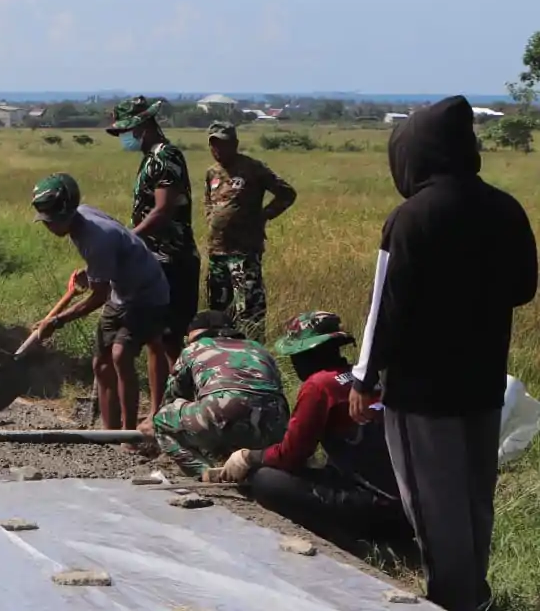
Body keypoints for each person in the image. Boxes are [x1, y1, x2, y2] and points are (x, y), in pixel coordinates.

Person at [347, 96, 536, 611]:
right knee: (475, 499)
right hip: (482, 384)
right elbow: (524, 287)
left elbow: (384, 308)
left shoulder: (410, 218)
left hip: (420, 392)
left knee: (433, 506)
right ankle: (477, 595)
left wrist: (363, 381)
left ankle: (454, 601)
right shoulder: (506, 209)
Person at [221, 312, 410, 546]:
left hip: (375, 507)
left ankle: (348, 538)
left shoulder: (320, 386)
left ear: (304, 355)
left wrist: (248, 457)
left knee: (265, 480)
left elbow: (290, 455)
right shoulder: (363, 379)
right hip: (408, 507)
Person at [29, 173, 171, 431]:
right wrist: (92, 271)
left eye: (52, 222)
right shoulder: (81, 220)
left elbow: (98, 296)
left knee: (121, 355)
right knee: (101, 364)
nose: (49, 227)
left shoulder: (96, 238)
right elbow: (114, 254)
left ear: (67, 214)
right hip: (121, 291)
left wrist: (58, 320)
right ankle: (109, 432)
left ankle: (128, 435)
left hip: (147, 293)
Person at [106, 96, 201, 361]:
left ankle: (184, 394)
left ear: (143, 126)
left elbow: (162, 210)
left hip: (173, 261)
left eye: (126, 131)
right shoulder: (149, 158)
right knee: (155, 338)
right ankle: (163, 401)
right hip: (153, 260)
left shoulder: (166, 156)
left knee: (172, 339)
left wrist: (128, 239)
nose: (124, 137)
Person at [150, 310, 289, 479]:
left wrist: (152, 423)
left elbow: (171, 396)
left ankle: (204, 472)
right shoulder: (259, 349)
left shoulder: (194, 349)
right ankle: (260, 466)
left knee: (161, 420)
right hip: (275, 421)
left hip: (221, 410)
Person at [202, 121, 297, 341]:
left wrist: (263, 216)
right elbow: (207, 200)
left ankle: (254, 353)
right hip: (217, 252)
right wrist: (211, 218)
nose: (217, 150)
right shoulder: (212, 173)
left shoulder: (253, 168)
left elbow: (286, 194)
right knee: (219, 308)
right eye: (213, 145)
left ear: (235, 144)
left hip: (243, 251)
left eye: (223, 144)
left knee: (249, 308)